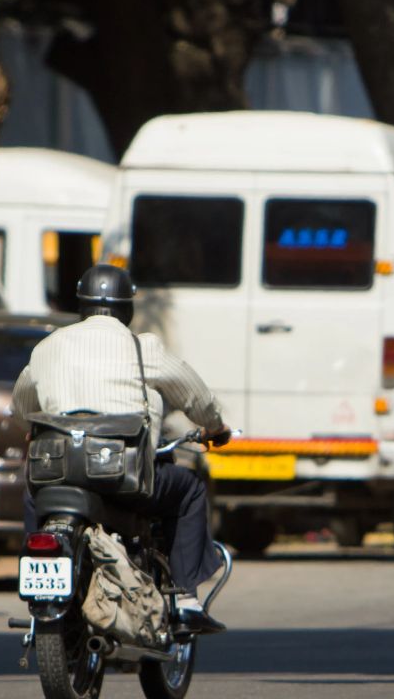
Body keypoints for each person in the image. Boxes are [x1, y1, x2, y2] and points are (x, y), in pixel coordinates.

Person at [12, 264, 232, 634]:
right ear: (126, 308)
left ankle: (42, 590)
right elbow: (194, 393)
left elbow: (21, 407)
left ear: (81, 305)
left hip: (56, 475)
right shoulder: (142, 348)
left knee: (35, 492)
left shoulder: (46, 347)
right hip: (123, 478)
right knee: (189, 488)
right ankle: (185, 599)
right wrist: (215, 426)